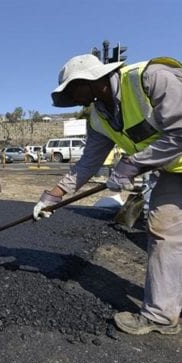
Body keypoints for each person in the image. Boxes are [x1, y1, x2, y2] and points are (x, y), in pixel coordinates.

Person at [33, 53, 182, 335]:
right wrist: (53, 195)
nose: (71, 97)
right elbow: (88, 161)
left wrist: (132, 164)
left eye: (71, 89)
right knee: (163, 231)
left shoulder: (150, 78)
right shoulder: (99, 116)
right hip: (175, 170)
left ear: (90, 81)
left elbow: (180, 130)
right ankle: (161, 316)